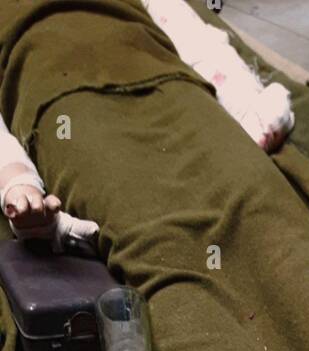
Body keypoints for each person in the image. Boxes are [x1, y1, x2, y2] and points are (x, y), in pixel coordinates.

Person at [0, 0, 293, 253]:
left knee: (260, 201)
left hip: (164, 77)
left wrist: (247, 104)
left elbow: (187, 30)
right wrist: (18, 185)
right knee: (147, 232)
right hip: (66, 100)